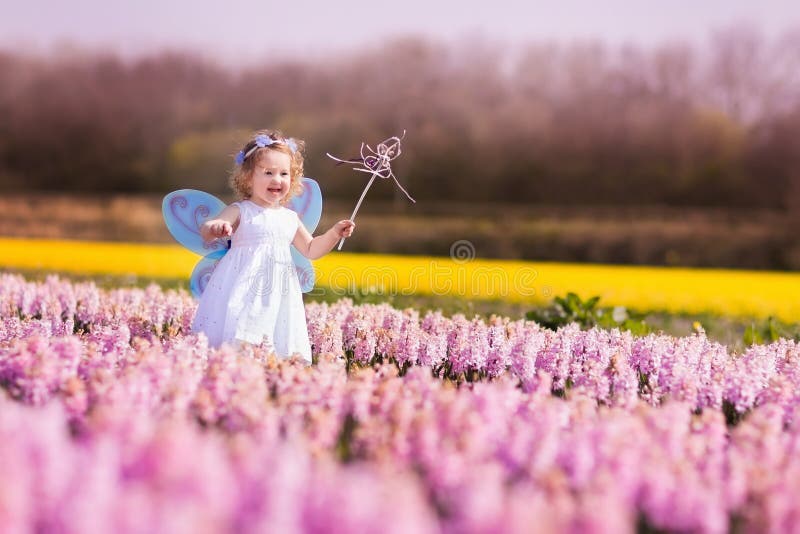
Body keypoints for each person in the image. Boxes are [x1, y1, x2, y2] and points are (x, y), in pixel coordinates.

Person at [191, 130, 355, 362]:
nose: (277, 179)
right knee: (241, 330)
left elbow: (311, 249)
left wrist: (333, 233)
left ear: (293, 179)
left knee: (273, 337)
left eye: (284, 173)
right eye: (268, 172)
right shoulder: (241, 210)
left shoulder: (289, 218)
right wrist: (216, 226)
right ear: (248, 177)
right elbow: (208, 230)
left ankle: (270, 377)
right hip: (242, 287)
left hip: (277, 291)